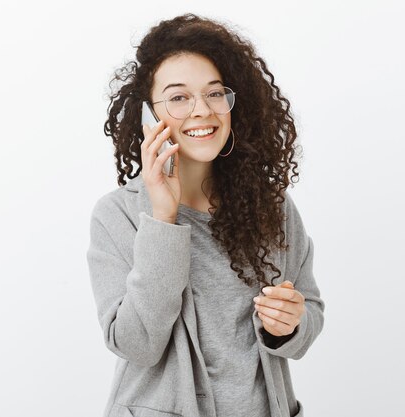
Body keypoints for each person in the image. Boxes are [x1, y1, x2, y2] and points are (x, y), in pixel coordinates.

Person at [86, 13, 324, 417]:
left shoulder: (273, 207)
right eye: (178, 97)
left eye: (215, 93)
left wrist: (290, 324)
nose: (202, 110)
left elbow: (310, 310)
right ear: (148, 116)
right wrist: (163, 217)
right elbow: (137, 344)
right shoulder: (118, 214)